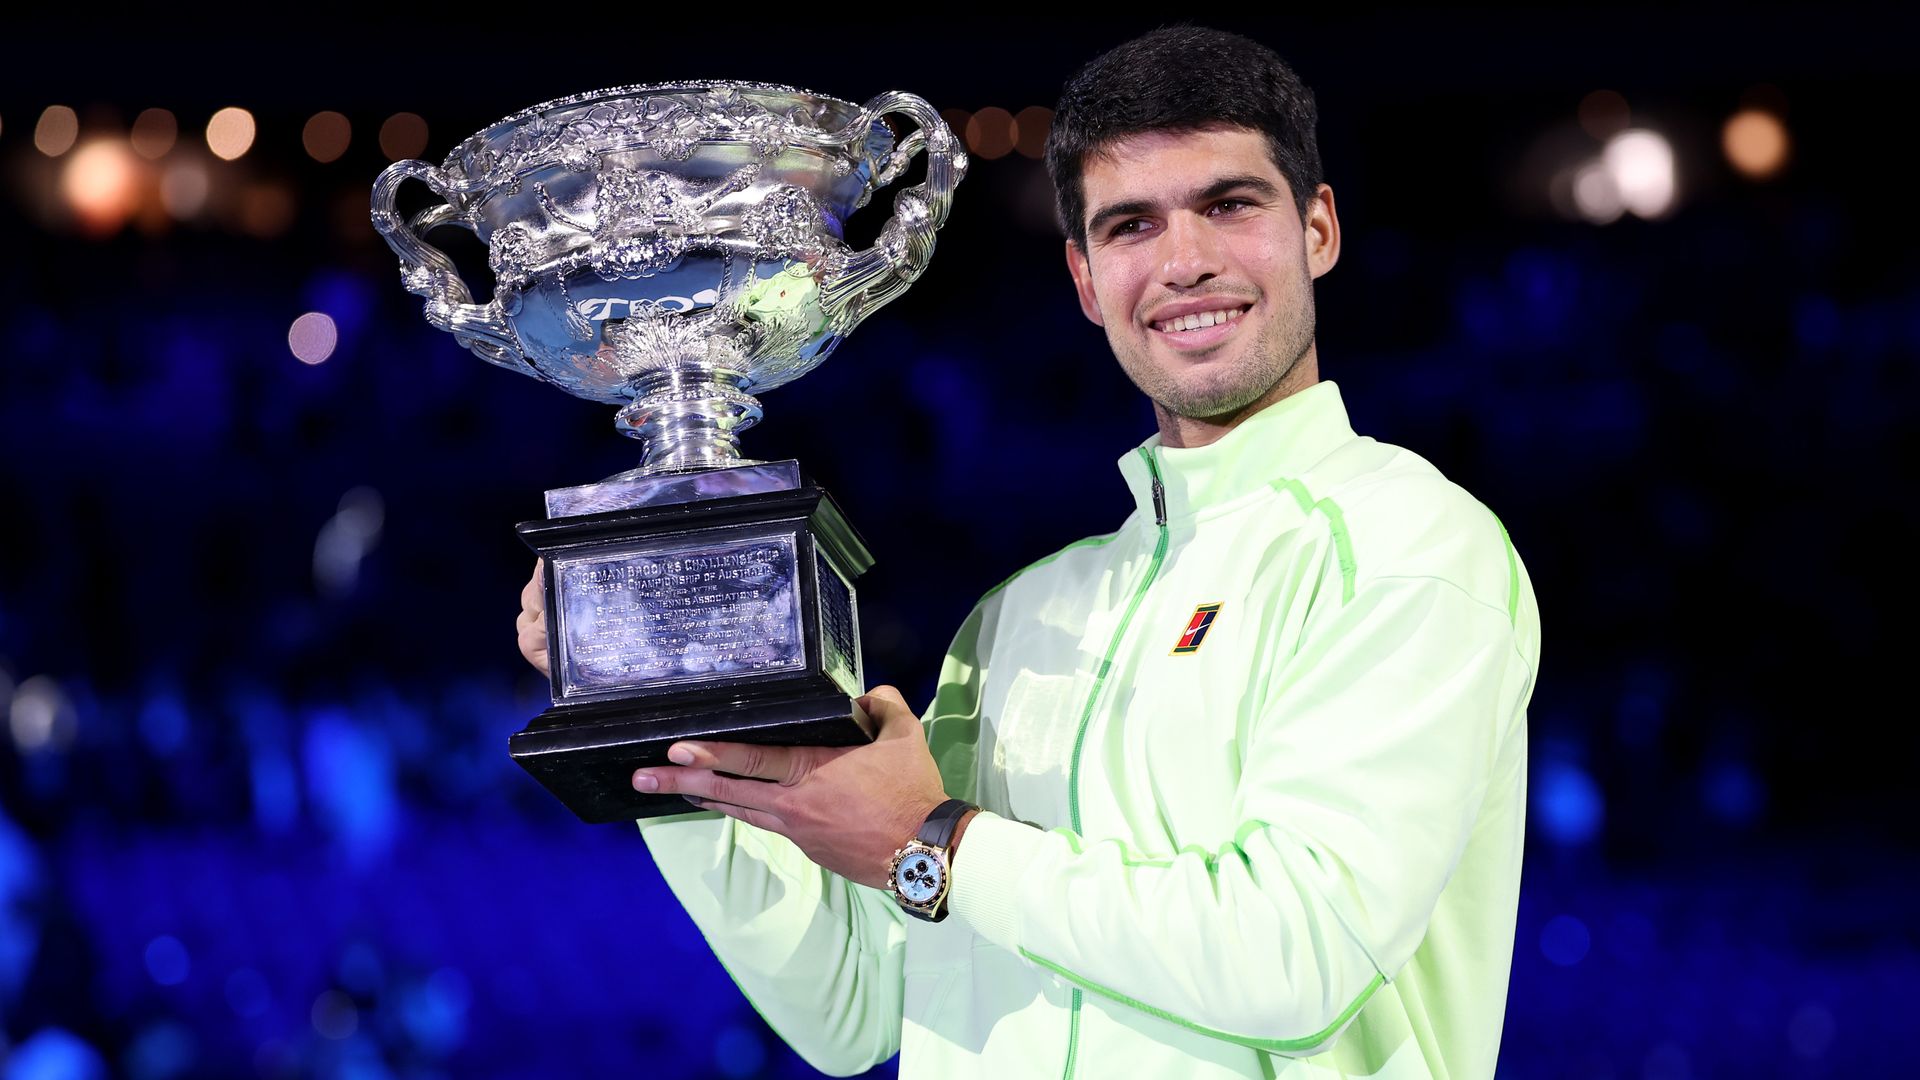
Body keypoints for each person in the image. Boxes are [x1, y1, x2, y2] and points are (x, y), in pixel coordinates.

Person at [517, 25, 1540, 1079]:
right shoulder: (1018, 618)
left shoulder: (1408, 545)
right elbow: (854, 1006)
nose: (1184, 262)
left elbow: (1296, 957)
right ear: (1086, 279)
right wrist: (668, 712)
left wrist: (935, 840)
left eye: (1230, 205)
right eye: (1131, 225)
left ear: (1317, 229)